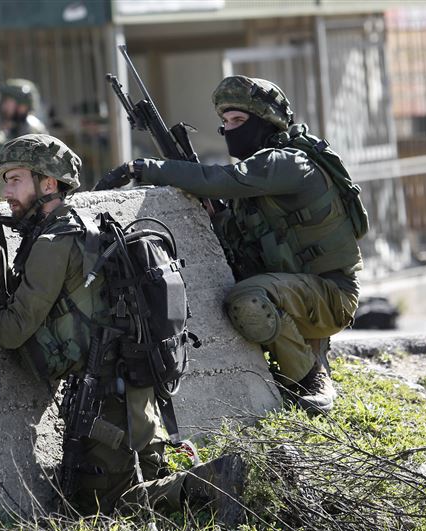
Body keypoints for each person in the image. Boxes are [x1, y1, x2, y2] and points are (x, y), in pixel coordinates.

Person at [0, 133, 244, 524]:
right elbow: (66, 303)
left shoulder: (52, 241)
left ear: (47, 183)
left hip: (106, 402)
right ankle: (193, 485)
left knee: (100, 513)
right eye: (5, 180)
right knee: (138, 490)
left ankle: (211, 480)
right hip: (134, 394)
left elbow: (11, 331)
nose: (5, 191)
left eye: (15, 179)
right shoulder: (80, 226)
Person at [95, 75, 363, 414]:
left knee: (246, 301)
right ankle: (302, 361)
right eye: (225, 122)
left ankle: (308, 378)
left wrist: (142, 168)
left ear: (267, 121)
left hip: (329, 296)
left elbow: (217, 180)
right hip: (297, 290)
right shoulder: (257, 182)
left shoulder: (288, 163)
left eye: (238, 120)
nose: (229, 130)